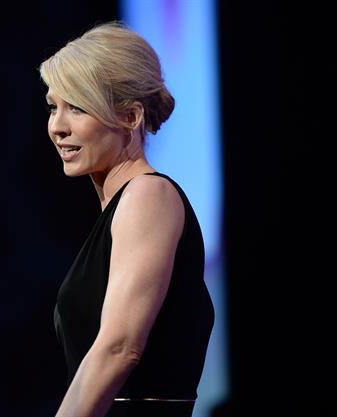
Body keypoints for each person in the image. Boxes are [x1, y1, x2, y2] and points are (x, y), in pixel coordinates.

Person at [40, 22, 215, 417]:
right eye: (53, 106)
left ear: (131, 116)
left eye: (78, 107)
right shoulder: (122, 209)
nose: (58, 127)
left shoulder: (148, 196)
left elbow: (120, 347)